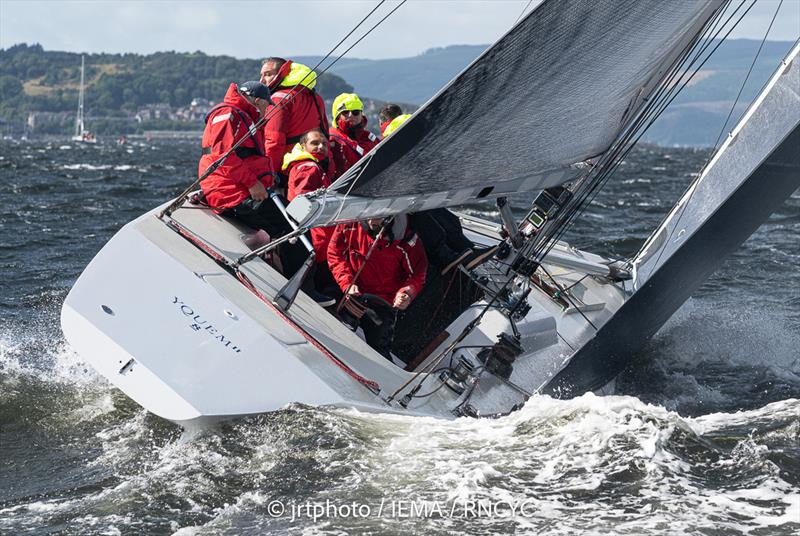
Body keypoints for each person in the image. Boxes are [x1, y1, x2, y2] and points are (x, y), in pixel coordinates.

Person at [199, 81, 333, 305]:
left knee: (292, 221)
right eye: (264, 106)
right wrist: (253, 185)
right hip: (232, 193)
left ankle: (300, 283)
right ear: (258, 101)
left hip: (238, 189)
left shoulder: (244, 116)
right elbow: (224, 157)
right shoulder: (228, 115)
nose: (265, 110)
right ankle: (303, 289)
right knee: (292, 226)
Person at [376, 104, 497, 274]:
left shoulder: (397, 145)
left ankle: (466, 249)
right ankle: (445, 256)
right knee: (426, 218)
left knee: (447, 218)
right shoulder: (387, 147)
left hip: (413, 200)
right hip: (397, 212)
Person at [327, 215, 427, 359]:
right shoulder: (351, 222)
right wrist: (346, 283)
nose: (371, 221)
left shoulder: (407, 241)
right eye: (371, 215)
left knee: (380, 351)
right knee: (334, 327)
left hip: (381, 301)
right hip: (350, 291)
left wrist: (406, 293)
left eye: (379, 217)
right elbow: (335, 253)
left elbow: (418, 273)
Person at [283, 128, 338, 296]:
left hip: (313, 231)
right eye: (315, 143)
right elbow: (301, 202)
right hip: (311, 232)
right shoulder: (309, 168)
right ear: (303, 146)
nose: (320, 147)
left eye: (324, 144)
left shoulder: (311, 166)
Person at [259, 57, 329, 175]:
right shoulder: (315, 97)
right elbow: (325, 132)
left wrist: (269, 174)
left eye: (267, 74)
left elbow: (274, 141)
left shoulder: (278, 98)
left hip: (288, 166)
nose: (261, 80)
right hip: (316, 164)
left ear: (281, 74)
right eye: (261, 75)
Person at [329, 93, 380, 178]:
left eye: (355, 112)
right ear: (337, 117)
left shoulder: (370, 138)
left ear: (361, 115)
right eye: (345, 112)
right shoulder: (331, 139)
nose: (350, 115)